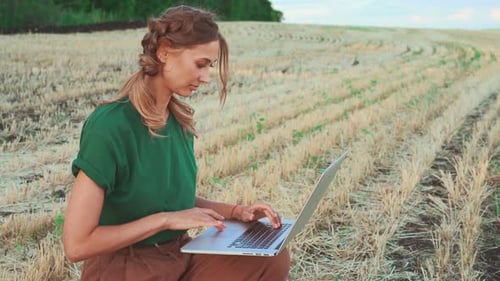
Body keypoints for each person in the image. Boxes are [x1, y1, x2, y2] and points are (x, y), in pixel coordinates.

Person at [62, 5, 290, 281]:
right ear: (164, 51)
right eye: (200, 64)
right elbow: (77, 244)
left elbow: (163, 198)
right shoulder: (111, 126)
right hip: (125, 268)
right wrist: (166, 220)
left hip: (177, 256)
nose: (206, 78)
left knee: (270, 257)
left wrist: (237, 212)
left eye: (210, 66)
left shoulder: (178, 122)